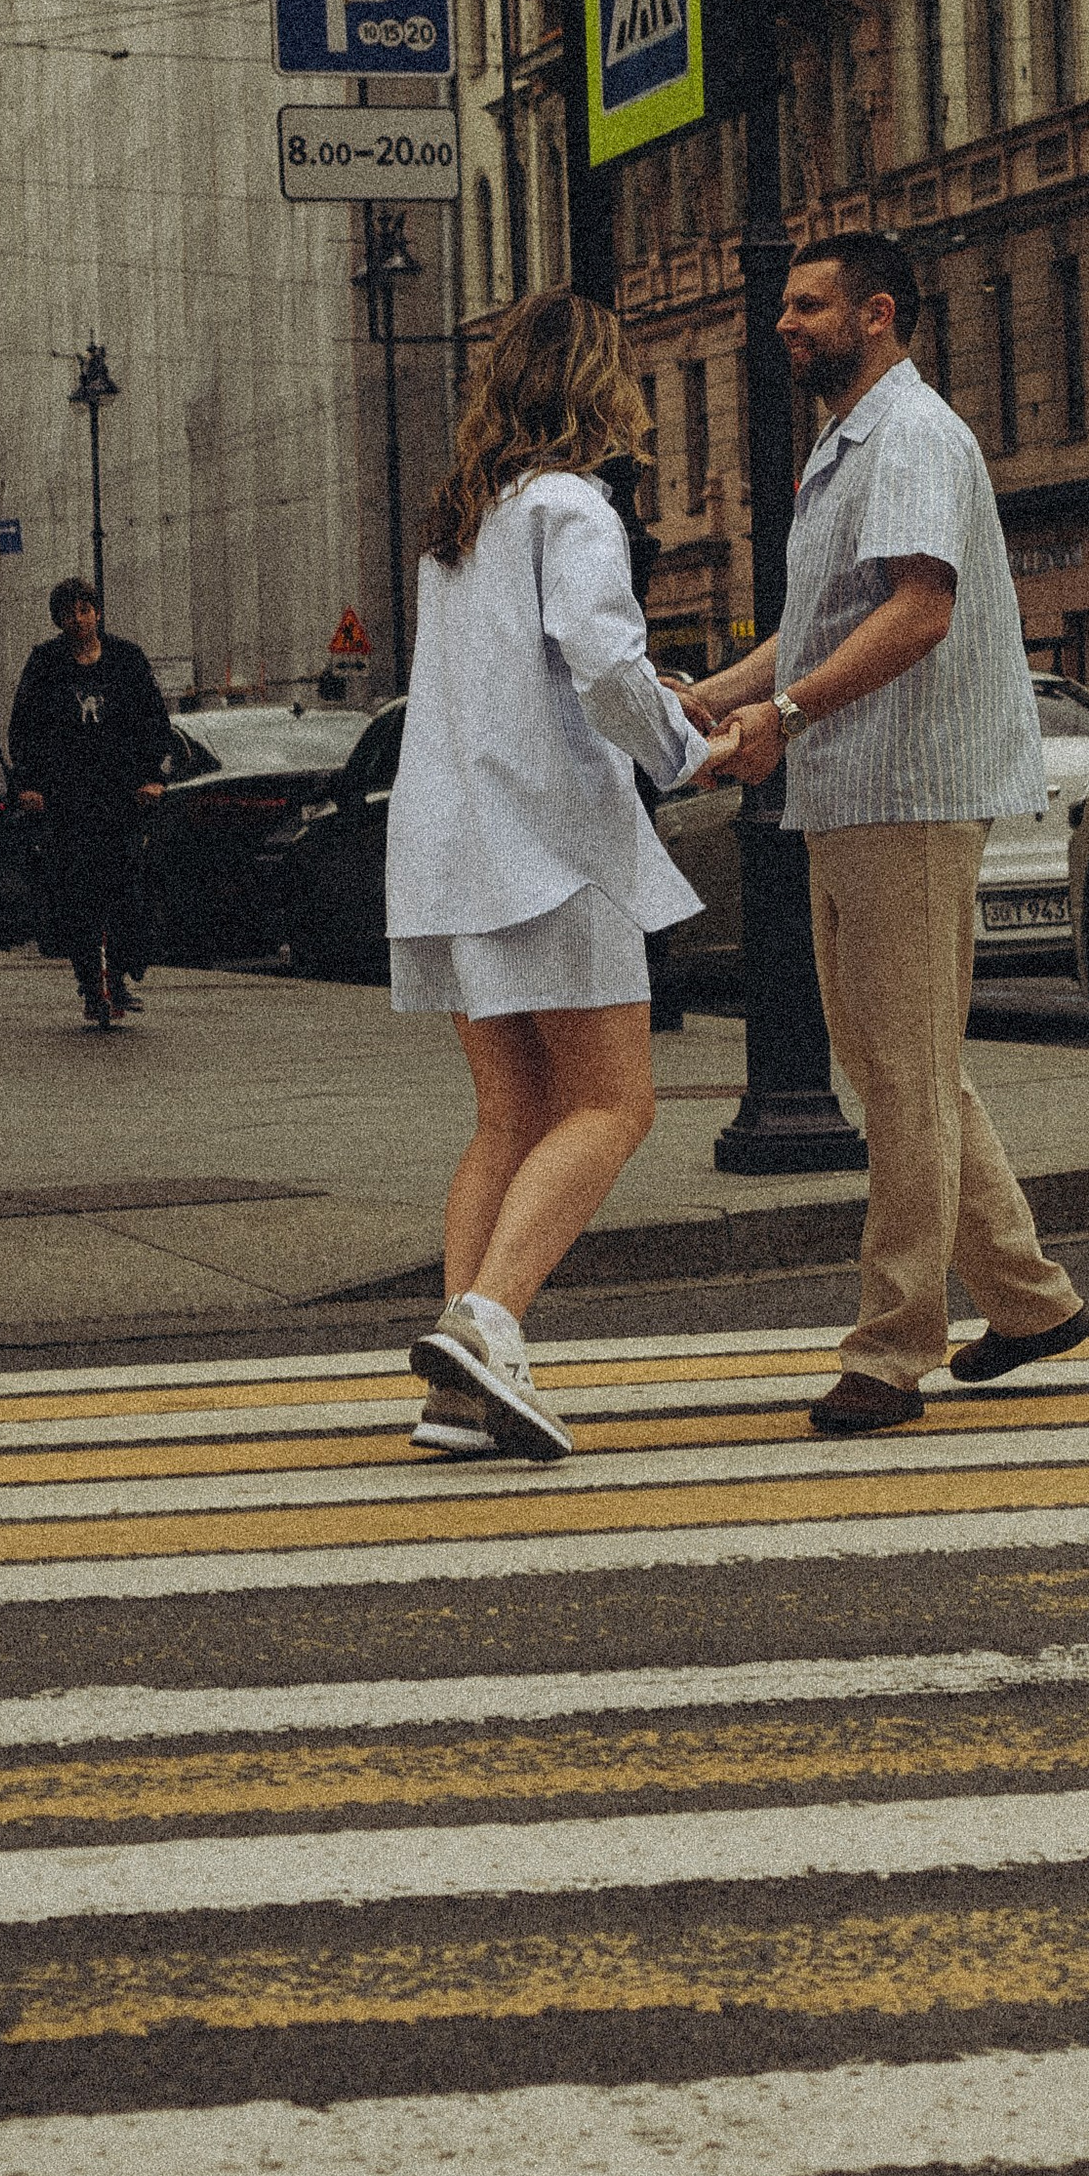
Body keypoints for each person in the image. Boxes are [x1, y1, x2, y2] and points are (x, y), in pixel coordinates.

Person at [685, 234, 1089, 1435]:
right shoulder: (846, 443)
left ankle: (893, 1345)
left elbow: (921, 608)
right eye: (783, 305)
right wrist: (716, 698)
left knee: (903, 1076)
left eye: (806, 305)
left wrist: (786, 710)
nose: (783, 324)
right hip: (853, 788)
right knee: (893, 1066)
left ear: (877, 315)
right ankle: (1027, 1298)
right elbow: (824, 624)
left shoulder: (911, 436)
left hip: (906, 793)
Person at [386, 288, 731, 1464]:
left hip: (454, 848)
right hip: (551, 851)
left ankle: (456, 1392)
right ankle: (486, 1326)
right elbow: (599, 661)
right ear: (599, 387)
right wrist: (688, 747)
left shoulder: (462, 526)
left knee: (509, 1117)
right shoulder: (573, 506)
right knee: (612, 1105)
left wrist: (649, 699)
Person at [9, 578, 171, 1031]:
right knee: (78, 894)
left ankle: (118, 976)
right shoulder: (45, 664)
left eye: (85, 609)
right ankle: (89, 983)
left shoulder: (127, 660)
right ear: (58, 620)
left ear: (97, 612)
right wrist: (28, 784)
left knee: (125, 890)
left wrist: (154, 778)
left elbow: (156, 723)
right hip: (67, 800)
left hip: (120, 797)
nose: (78, 619)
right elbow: (23, 728)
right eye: (68, 613)